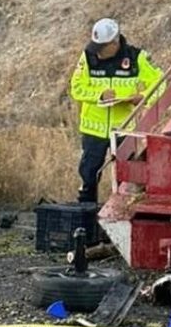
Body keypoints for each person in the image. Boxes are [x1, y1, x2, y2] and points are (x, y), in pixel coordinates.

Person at [69, 18, 162, 203]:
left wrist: (144, 97)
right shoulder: (88, 56)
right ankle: (86, 218)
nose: (98, 53)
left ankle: (120, 214)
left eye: (102, 48)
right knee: (89, 176)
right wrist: (100, 95)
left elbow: (160, 82)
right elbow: (76, 87)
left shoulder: (137, 57)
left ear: (115, 42)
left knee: (125, 177)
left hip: (124, 128)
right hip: (93, 129)